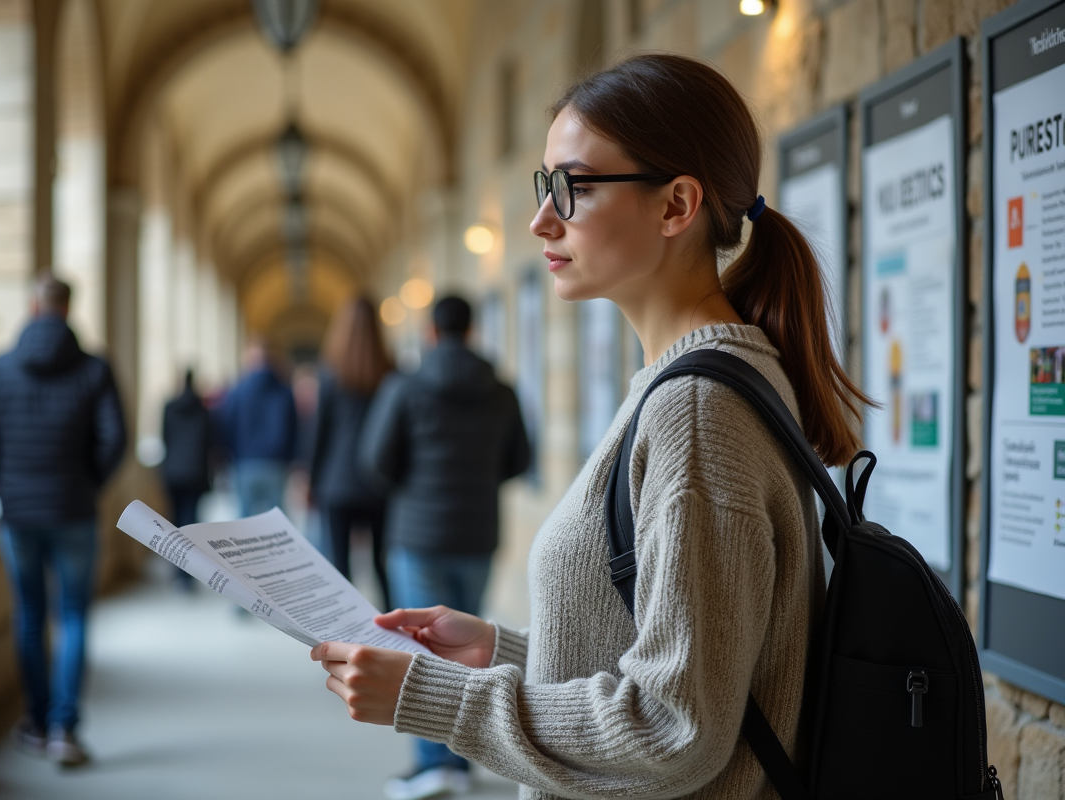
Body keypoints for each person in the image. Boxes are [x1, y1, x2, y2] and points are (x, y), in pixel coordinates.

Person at [310, 53, 873, 800]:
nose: (543, 218)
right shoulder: (689, 385)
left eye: (573, 187)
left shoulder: (696, 413)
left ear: (676, 206)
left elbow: (674, 728)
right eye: (545, 185)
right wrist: (499, 652)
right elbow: (680, 665)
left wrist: (436, 699)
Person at [357, 294, 530, 799]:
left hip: (418, 535)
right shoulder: (501, 390)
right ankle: (459, 757)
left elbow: (376, 461)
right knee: (469, 647)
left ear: (431, 332)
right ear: (472, 331)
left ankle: (434, 763)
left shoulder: (405, 387)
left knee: (423, 649)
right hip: (478, 533)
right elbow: (520, 458)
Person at [0, 272, 127, 768]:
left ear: (34, 308)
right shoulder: (95, 368)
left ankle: (36, 722)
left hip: (17, 515)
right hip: (74, 511)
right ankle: (65, 728)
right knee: (75, 615)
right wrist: (87, 484)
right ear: (68, 309)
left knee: (30, 615)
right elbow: (115, 438)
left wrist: (3, 488)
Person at [310, 297, 394, 610]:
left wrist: (312, 479)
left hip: (336, 481)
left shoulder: (330, 373)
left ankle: (346, 637)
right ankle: (389, 631)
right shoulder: (390, 371)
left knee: (339, 567)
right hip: (379, 482)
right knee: (381, 564)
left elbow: (319, 432)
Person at [218, 338, 298, 519]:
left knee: (244, 520)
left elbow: (227, 426)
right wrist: (291, 458)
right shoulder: (284, 392)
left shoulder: (237, 391)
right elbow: (294, 429)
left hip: (244, 462)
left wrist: (229, 457)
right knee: (277, 522)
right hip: (277, 464)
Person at [160, 368, 213, 590]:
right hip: (196, 472)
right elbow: (209, 442)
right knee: (191, 523)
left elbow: (164, 437)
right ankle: (188, 574)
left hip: (172, 471)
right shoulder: (203, 410)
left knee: (174, 523)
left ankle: (177, 573)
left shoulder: (169, 407)